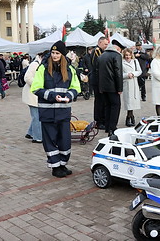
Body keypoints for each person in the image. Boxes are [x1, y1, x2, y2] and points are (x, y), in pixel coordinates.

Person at [31, 41, 81, 178]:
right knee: (50, 140)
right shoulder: (43, 68)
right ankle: (55, 167)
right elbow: (35, 88)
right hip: (47, 112)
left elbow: (76, 87)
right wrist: (53, 96)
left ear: (62, 55)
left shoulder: (70, 69)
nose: (54, 55)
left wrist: (68, 96)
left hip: (63, 111)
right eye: (53, 53)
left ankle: (63, 164)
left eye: (57, 53)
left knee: (64, 140)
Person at [97, 39, 125, 136]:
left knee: (107, 106)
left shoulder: (102, 56)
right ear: (118, 48)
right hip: (113, 86)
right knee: (115, 106)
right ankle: (112, 128)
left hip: (103, 86)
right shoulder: (116, 56)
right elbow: (118, 73)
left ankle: (108, 126)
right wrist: (120, 88)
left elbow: (98, 72)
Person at [22, 51, 46, 144]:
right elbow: (27, 78)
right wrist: (38, 85)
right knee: (37, 117)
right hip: (32, 94)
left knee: (36, 115)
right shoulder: (34, 64)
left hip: (37, 94)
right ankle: (37, 137)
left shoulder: (41, 65)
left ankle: (31, 132)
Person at [91, 37, 109, 129]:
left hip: (101, 80)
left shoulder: (102, 51)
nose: (106, 46)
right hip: (97, 80)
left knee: (103, 101)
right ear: (100, 42)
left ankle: (103, 119)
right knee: (99, 101)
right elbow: (96, 65)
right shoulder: (96, 51)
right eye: (105, 44)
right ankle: (98, 121)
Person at [122, 48, 142, 127]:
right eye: (126, 55)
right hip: (126, 83)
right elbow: (120, 74)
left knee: (133, 101)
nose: (127, 57)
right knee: (128, 102)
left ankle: (130, 116)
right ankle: (129, 117)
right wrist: (127, 75)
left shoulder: (135, 61)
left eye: (129, 55)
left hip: (134, 82)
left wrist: (133, 74)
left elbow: (139, 71)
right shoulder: (122, 62)